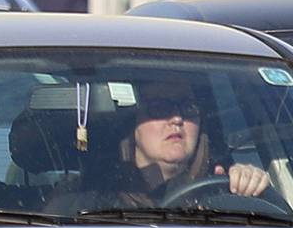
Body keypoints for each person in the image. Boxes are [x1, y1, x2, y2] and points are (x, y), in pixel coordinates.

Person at [96, 78, 270, 205]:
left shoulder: (223, 189)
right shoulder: (94, 198)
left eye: (188, 108)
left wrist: (250, 184)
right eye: (160, 108)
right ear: (134, 123)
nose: (177, 118)